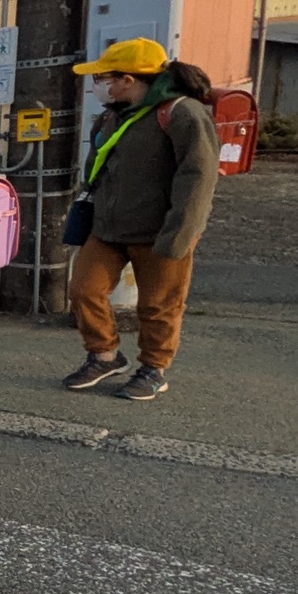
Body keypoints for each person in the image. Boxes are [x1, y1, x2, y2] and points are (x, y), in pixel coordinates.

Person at [60, 38, 219, 403]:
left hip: (161, 230)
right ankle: (105, 356)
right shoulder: (114, 113)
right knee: (83, 289)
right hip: (108, 226)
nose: (98, 86)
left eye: (103, 78)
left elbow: (198, 177)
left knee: (159, 305)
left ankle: (153, 369)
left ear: (128, 79)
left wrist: (181, 233)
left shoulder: (183, 113)